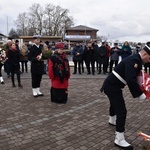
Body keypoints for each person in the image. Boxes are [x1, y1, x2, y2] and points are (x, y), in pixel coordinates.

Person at [100, 42, 150, 150]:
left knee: (114, 103)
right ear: (145, 54)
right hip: (112, 86)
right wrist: (140, 94)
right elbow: (130, 79)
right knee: (122, 111)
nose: (149, 61)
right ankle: (119, 139)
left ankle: (112, 120)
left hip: (112, 85)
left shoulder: (136, 59)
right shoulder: (135, 60)